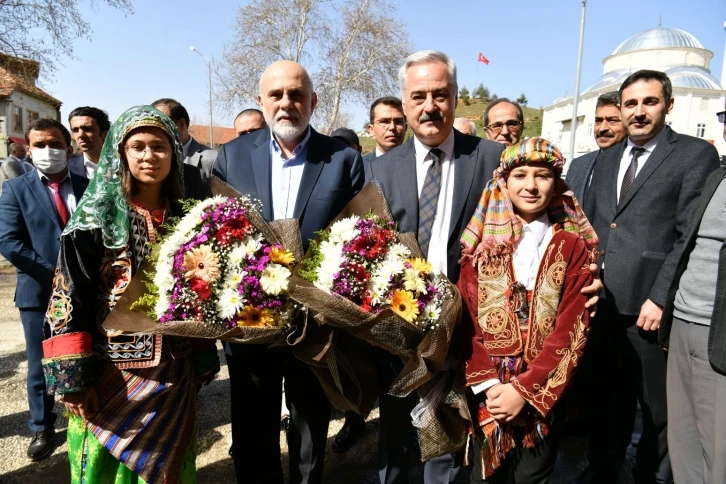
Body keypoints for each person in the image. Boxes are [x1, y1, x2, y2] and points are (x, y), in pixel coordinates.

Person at [40, 105, 219, 483]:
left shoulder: (189, 218)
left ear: (174, 153)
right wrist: (73, 381)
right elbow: (67, 296)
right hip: (109, 378)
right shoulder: (95, 218)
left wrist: (203, 352)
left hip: (173, 372)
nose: (149, 156)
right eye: (137, 147)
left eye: (159, 147)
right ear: (121, 153)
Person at [213, 59, 365, 484]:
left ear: (313, 102)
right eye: (276, 95)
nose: (286, 103)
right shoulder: (232, 156)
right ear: (261, 101)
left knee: (309, 428)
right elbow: (219, 236)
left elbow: (358, 240)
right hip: (249, 322)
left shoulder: (343, 160)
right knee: (251, 428)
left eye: (296, 94)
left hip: (314, 324)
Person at [580, 70, 720, 484]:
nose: (639, 112)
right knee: (606, 399)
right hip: (602, 302)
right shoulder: (607, 156)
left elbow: (686, 235)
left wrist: (660, 297)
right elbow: (594, 226)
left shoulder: (694, 155)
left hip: (649, 308)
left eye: (649, 102)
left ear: (669, 105)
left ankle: (651, 476)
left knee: (656, 408)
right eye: (631, 104)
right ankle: (602, 469)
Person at [458, 137, 597, 483]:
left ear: (557, 183)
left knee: (532, 475)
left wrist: (524, 391)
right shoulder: (482, 246)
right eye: (520, 175)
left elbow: (571, 327)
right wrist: (491, 386)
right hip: (489, 389)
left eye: (542, 175)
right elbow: (467, 320)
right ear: (504, 182)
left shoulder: (570, 244)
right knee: (484, 476)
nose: (531, 186)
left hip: (543, 386)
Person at [0, 119, 89, 461]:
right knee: (40, 365)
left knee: (82, 354)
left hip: (83, 291)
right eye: (38, 145)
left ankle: (85, 417)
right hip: (39, 292)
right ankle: (41, 426)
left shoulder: (87, 186)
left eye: (53, 143)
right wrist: (56, 275)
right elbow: (9, 242)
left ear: (69, 148)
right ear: (29, 148)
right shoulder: (15, 189)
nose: (46, 151)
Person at [657, 106, 726, 484]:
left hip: (718, 333)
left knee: (718, 450)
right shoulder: (718, 177)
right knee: (684, 442)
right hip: (683, 322)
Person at [566, 92, 626, 204]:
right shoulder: (578, 165)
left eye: (612, 120)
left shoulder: (636, 166)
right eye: (598, 121)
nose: (602, 128)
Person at [152, 98, 217, 180]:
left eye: (162, 125)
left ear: (182, 124)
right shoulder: (149, 158)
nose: (156, 131)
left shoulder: (212, 159)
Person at [364, 96, 407, 172]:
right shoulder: (360, 167)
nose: (392, 127)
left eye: (398, 121)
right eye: (384, 121)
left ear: (405, 128)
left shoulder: (419, 165)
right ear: (371, 129)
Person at [68, 106, 110, 178]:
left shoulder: (123, 164)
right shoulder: (68, 169)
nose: (80, 135)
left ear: (104, 133)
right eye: (75, 130)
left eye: (87, 129)